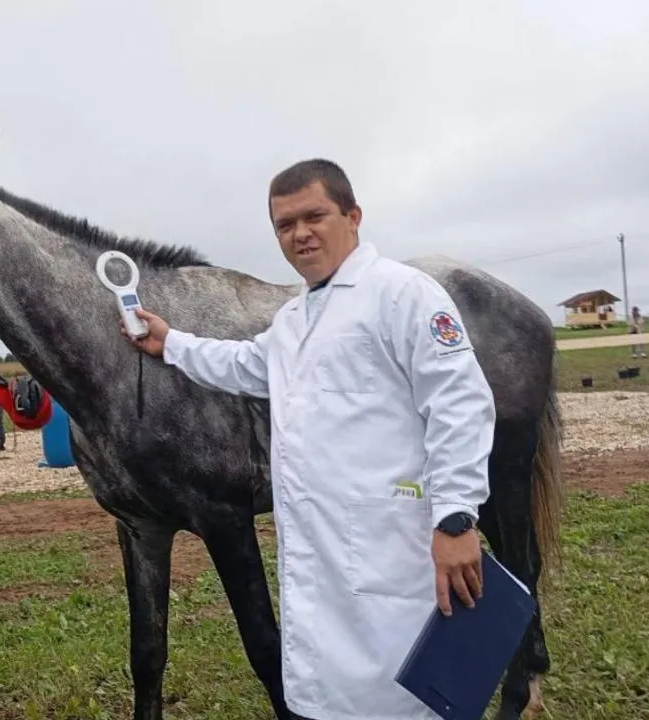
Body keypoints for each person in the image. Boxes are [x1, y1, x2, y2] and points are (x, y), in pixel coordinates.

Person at [123, 159, 496, 719]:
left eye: (314, 216)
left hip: (392, 544)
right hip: (318, 551)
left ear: (353, 216)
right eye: (284, 224)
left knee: (405, 693)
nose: (300, 234)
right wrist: (171, 343)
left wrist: (456, 517)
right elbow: (249, 364)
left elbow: (460, 403)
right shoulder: (295, 317)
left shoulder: (402, 295)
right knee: (330, 684)